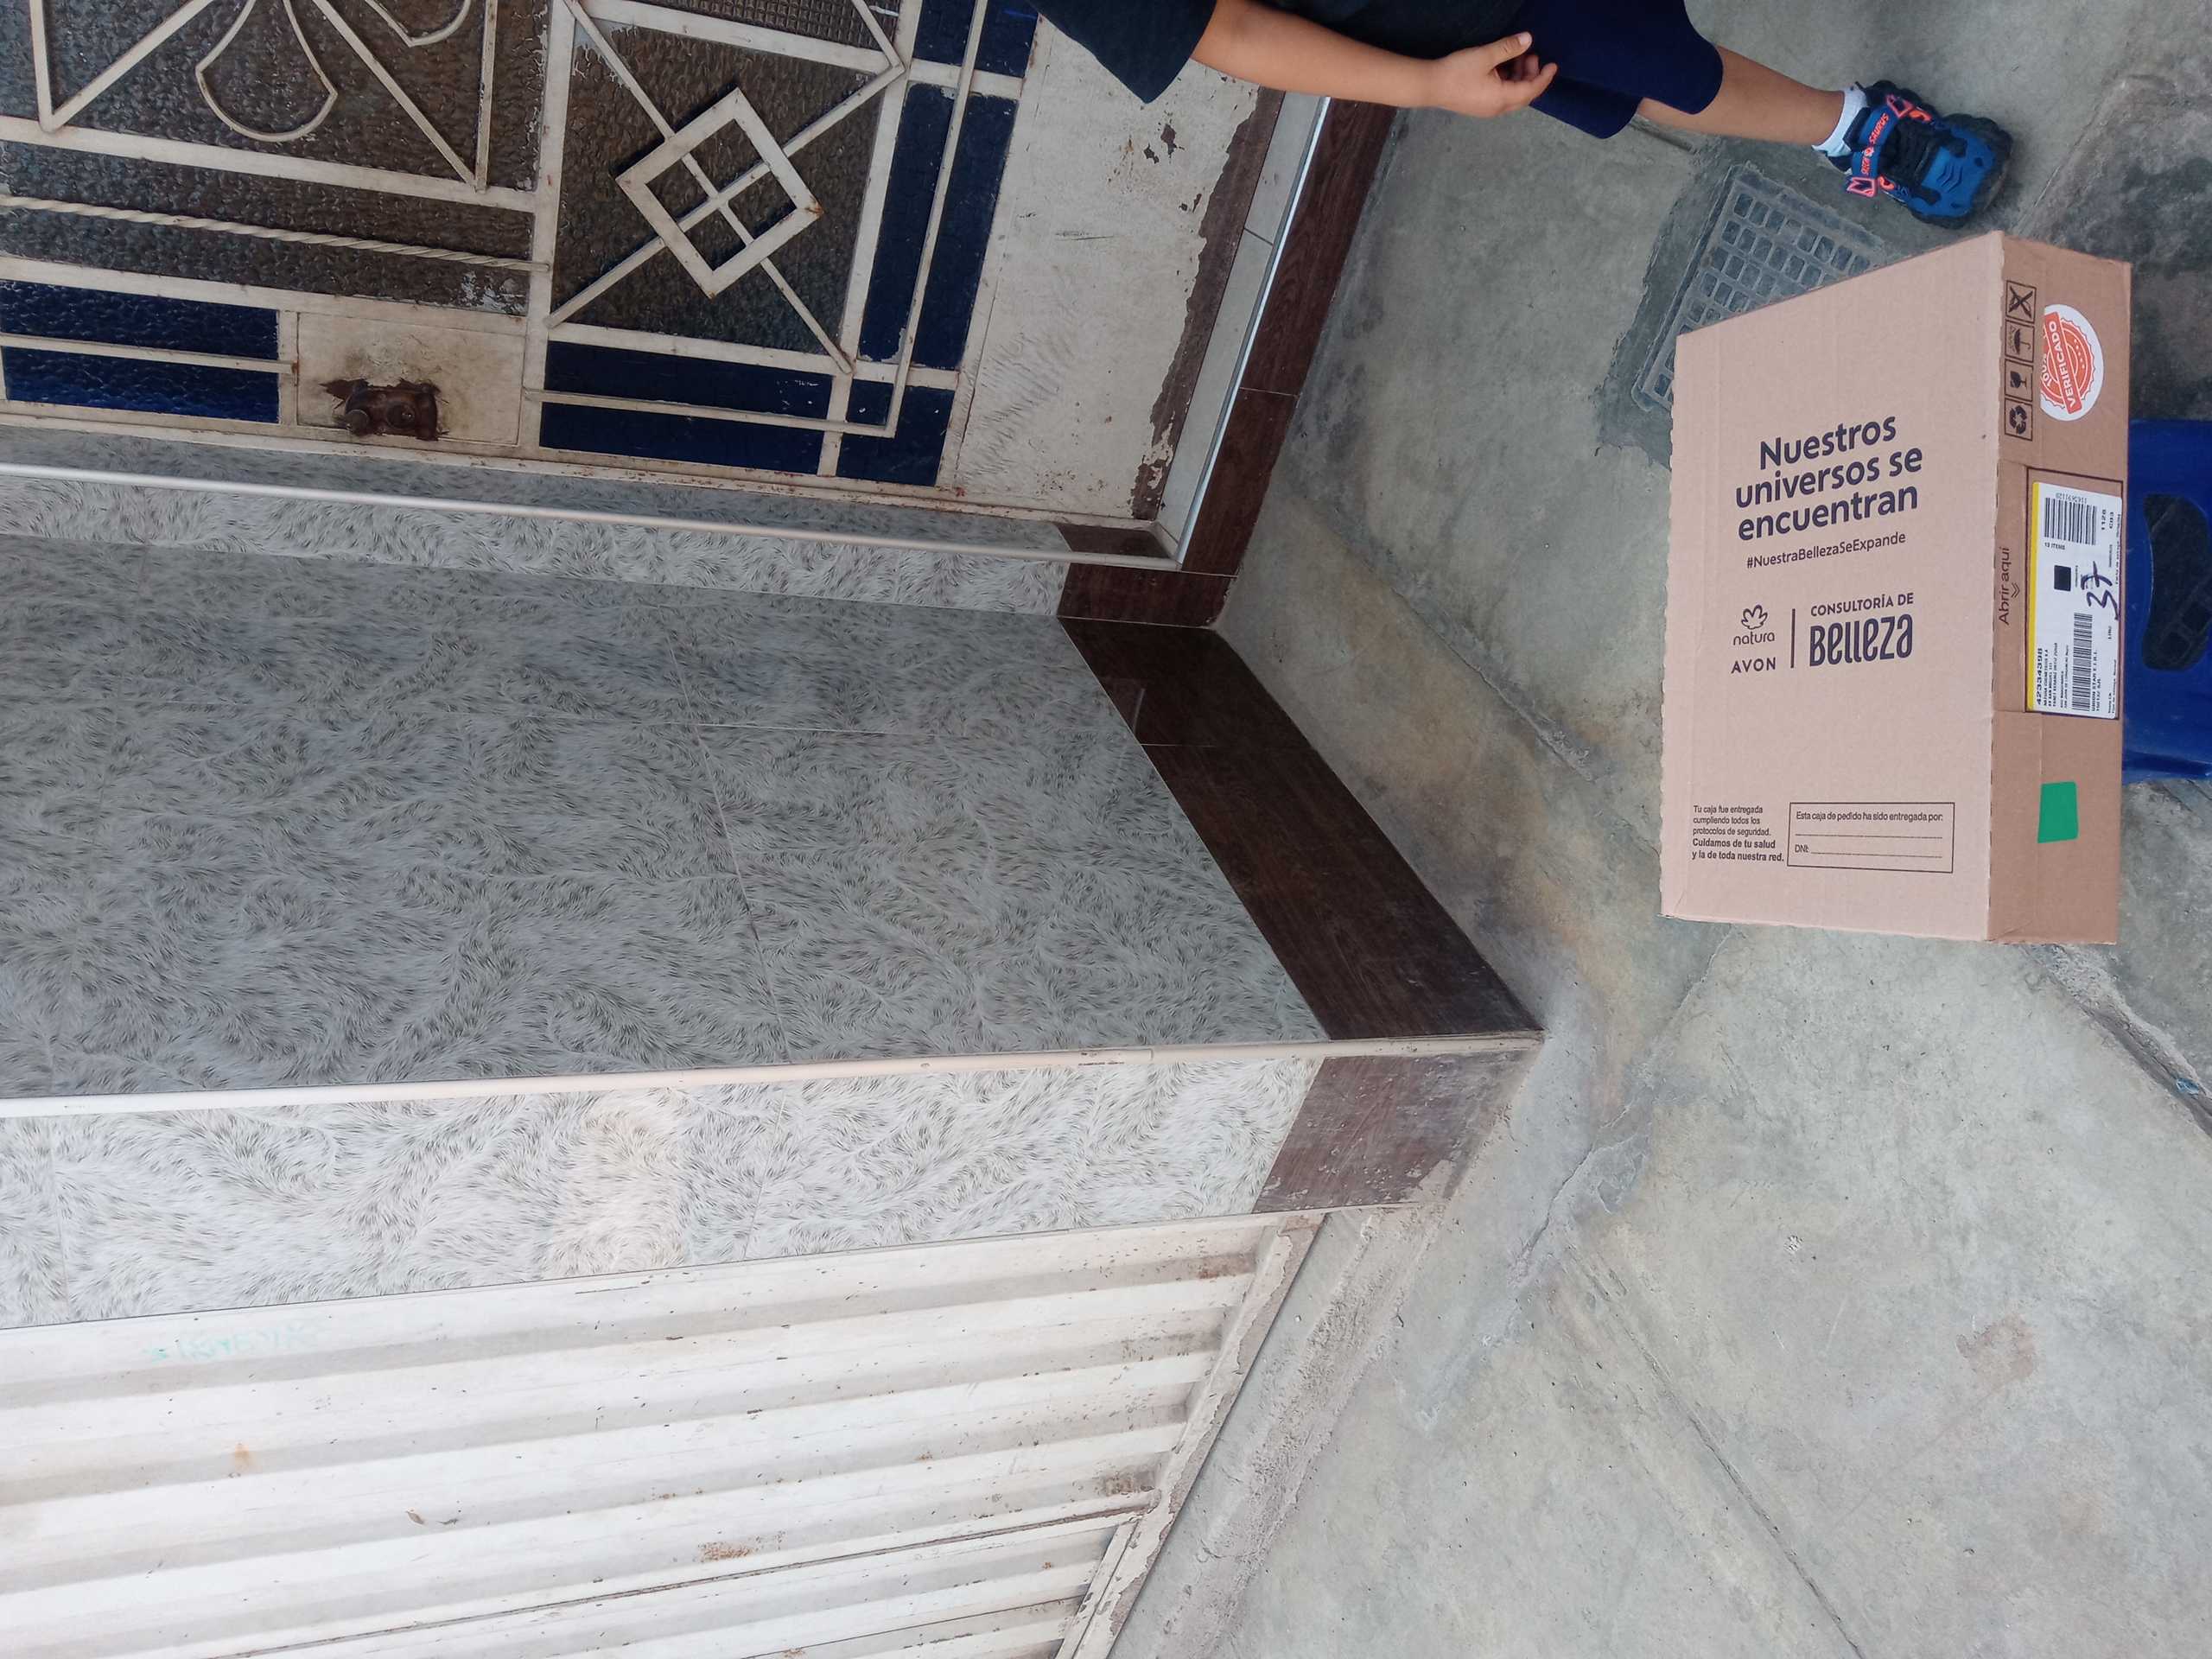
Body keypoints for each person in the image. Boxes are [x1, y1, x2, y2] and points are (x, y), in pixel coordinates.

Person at [1029, 0, 2011, 224]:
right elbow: (1230, 29)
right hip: (1482, 9)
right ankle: (1854, 129)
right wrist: (1426, 86)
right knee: (1656, 72)